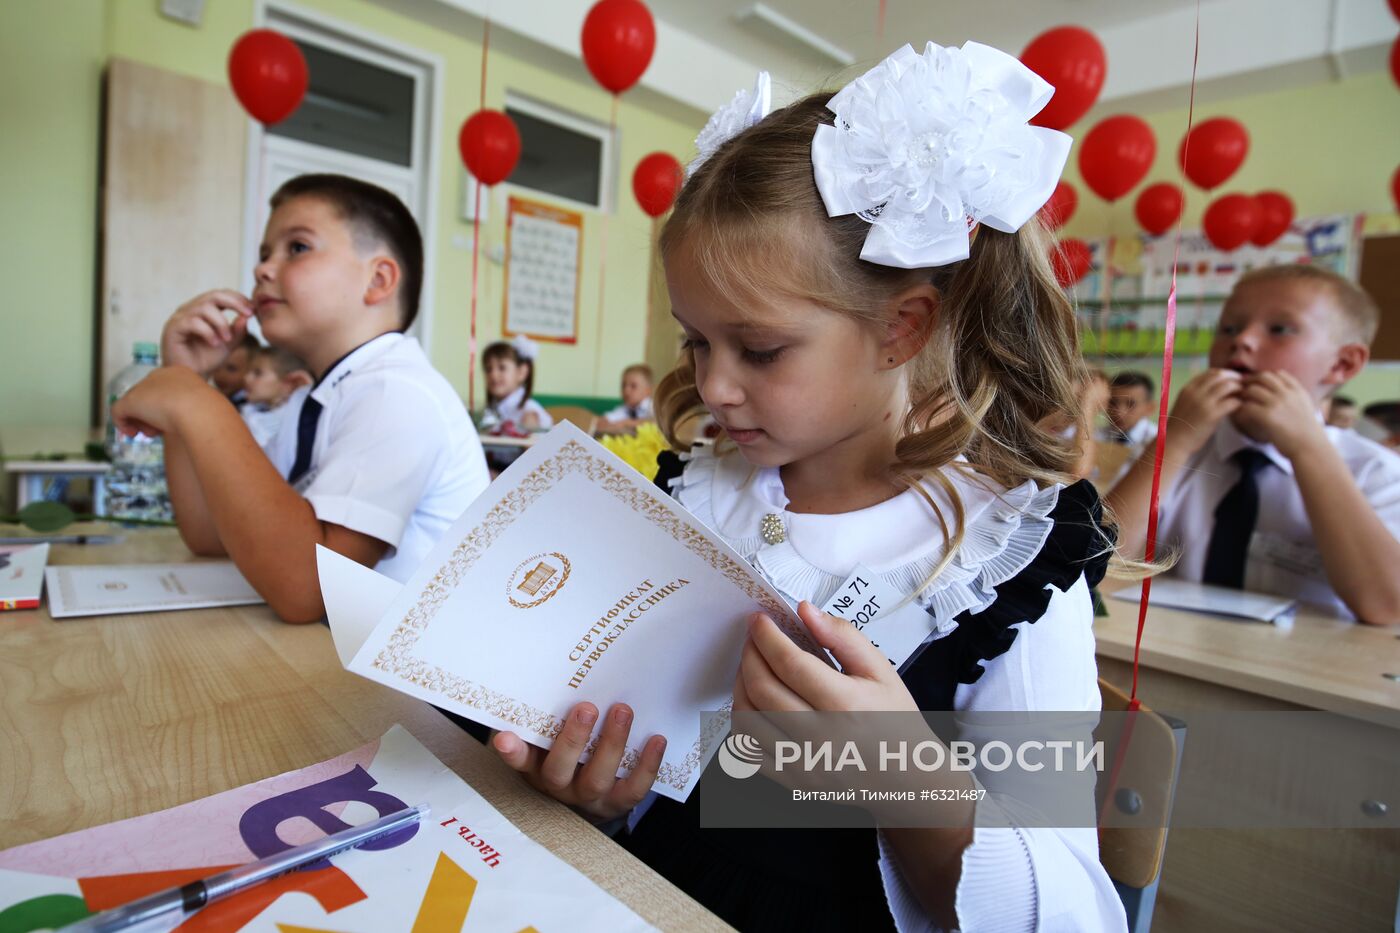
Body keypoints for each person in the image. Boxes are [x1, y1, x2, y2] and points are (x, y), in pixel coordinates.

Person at [486, 43, 1127, 931]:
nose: (712, 386)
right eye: (696, 343)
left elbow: (1069, 913)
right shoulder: (696, 493)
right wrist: (602, 794)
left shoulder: (1005, 561)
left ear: (902, 328)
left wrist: (907, 779)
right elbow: (664, 788)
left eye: (760, 349)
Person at [111, 173, 491, 622]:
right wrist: (187, 375)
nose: (262, 270)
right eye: (263, 254)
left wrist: (197, 403)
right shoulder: (314, 398)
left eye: (297, 248)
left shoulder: (397, 393)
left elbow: (311, 590)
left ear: (378, 280)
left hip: (420, 685)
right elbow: (212, 533)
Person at [1108, 265, 1400, 625]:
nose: (1242, 340)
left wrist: (1307, 448)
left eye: (1279, 330)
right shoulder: (1178, 450)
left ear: (1342, 364)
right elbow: (1100, 561)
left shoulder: (1377, 473)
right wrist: (1176, 440)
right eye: (1228, 328)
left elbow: (1387, 606)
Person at [241, 345, 312, 448]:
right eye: (248, 371)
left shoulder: (293, 423)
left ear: (290, 383)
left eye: (258, 373)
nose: (246, 378)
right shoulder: (250, 412)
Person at [481, 336, 553, 432]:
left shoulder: (529, 413)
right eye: (488, 369)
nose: (493, 375)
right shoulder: (490, 410)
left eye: (502, 368)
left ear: (522, 372)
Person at [1100, 371, 1156, 448]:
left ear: (1150, 408)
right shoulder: (1094, 437)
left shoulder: (1158, 441)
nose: (1119, 412)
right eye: (1112, 402)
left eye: (1131, 404)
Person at [596, 364, 656, 435]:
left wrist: (627, 423)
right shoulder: (625, 408)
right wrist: (604, 421)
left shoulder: (653, 406)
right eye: (623, 385)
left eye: (633, 386)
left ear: (647, 390)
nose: (626, 390)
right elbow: (607, 419)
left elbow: (656, 423)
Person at [212, 333, 259, 408]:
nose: (221, 375)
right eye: (217, 366)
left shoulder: (250, 408)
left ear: (252, 370)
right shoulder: (214, 396)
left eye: (231, 368)